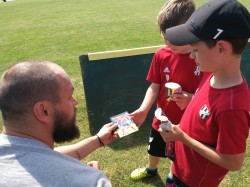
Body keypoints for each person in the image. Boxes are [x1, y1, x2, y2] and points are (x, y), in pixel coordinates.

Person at [159, 0, 250, 186]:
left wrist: (182, 138)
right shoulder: (212, 74)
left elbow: (233, 162)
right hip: (180, 167)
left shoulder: (232, 106)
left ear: (222, 48)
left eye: (195, 50)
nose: (191, 56)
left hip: (193, 181)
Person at [0, 61, 118, 187]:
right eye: (69, 97)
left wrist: (98, 140)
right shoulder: (91, 181)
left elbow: (37, 154)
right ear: (44, 111)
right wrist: (87, 178)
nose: (75, 102)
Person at [130, 0, 204, 186]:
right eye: (164, 39)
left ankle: (173, 176)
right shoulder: (161, 54)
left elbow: (209, 96)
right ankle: (151, 169)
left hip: (186, 124)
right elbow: (155, 86)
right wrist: (143, 109)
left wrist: (192, 99)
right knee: (154, 149)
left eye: (174, 40)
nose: (168, 44)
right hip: (161, 118)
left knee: (177, 154)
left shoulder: (203, 57)